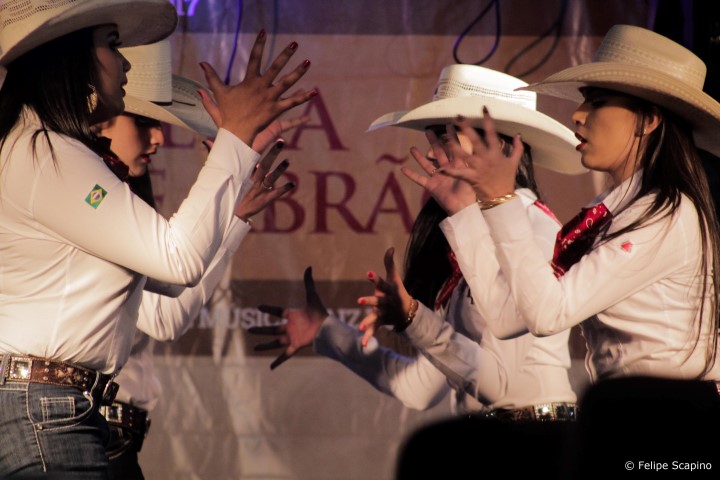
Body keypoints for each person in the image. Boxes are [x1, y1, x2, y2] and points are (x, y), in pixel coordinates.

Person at [0, 0, 315, 477]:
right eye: (111, 45)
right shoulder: (46, 152)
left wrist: (232, 214)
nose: (123, 62)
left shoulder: (45, 149)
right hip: (45, 409)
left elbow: (166, 287)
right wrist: (234, 139)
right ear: (70, 56)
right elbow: (177, 261)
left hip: (54, 407)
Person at [385, 24, 720, 470]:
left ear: (649, 120)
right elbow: (511, 317)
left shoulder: (665, 213)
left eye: (597, 101)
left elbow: (546, 315)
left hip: (671, 428)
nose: (578, 115)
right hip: (632, 418)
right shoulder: (614, 210)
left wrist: (499, 200)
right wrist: (465, 212)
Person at [250, 65, 584, 421]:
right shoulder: (465, 236)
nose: (434, 154)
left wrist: (414, 319)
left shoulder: (535, 229)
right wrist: (327, 331)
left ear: (499, 145)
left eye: (446, 137)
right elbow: (416, 387)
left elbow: (502, 386)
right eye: (433, 138)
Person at [95, 39, 305, 479]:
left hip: (112, 436)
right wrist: (233, 152)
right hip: (89, 426)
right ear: (99, 118)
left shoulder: (118, 198)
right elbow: (163, 316)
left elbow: (169, 312)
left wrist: (234, 218)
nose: (158, 139)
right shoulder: (90, 201)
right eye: (144, 123)